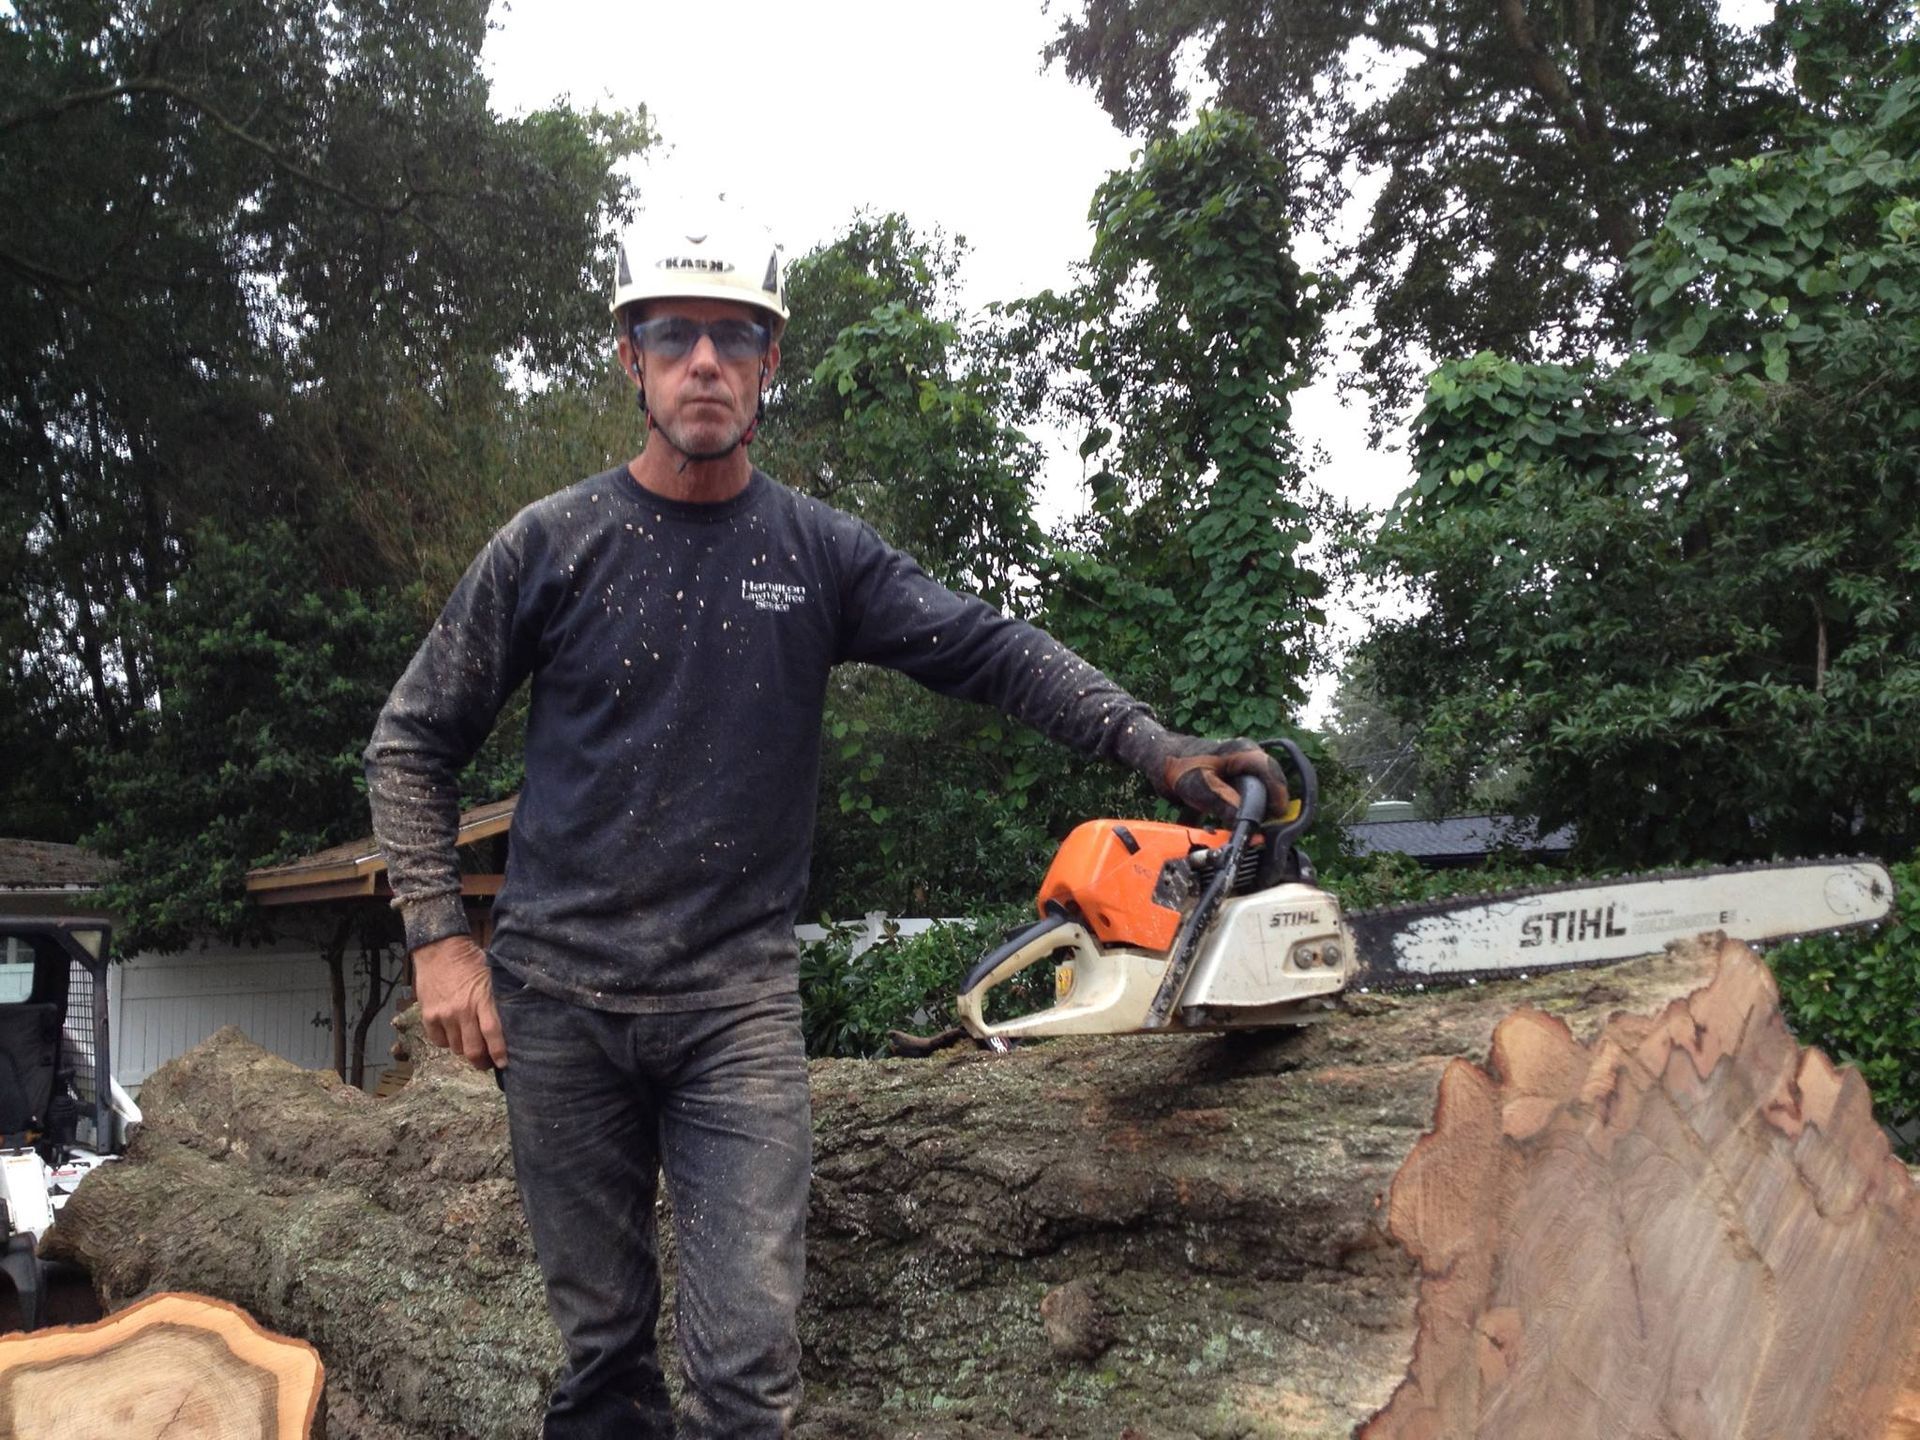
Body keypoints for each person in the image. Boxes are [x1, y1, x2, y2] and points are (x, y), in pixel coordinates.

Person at [364, 208, 1290, 1440]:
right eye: (676, 335)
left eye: (735, 338)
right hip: (558, 1004)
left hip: (733, 1009)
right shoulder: (553, 544)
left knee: (748, 1379)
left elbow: (988, 649)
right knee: (604, 1365)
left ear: (769, 364)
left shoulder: (814, 552)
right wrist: (439, 940)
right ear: (632, 359)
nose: (705, 362)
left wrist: (1154, 747)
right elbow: (411, 739)